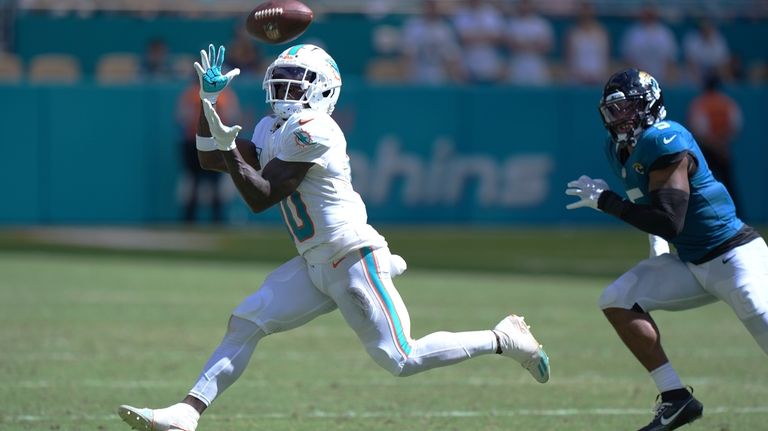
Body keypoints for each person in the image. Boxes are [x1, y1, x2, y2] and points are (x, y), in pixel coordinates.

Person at [117, 43, 550, 431]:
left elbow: (262, 195)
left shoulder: (315, 129)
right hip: (315, 262)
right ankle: (186, 414)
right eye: (280, 83)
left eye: (295, 84)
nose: (284, 92)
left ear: (324, 89)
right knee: (246, 321)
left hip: (351, 256)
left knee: (401, 358)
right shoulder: (271, 126)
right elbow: (209, 159)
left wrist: (230, 150)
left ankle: (503, 337)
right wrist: (206, 102)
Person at [565, 68, 768, 431]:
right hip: (691, 262)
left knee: (760, 315)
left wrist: (606, 202)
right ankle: (676, 399)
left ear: (649, 105)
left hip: (734, 255)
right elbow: (647, 206)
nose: (619, 118)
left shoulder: (665, 139)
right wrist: (657, 248)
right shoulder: (619, 148)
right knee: (617, 298)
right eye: (614, 111)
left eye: (627, 108)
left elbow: (668, 219)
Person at [176, 73, 241, 223]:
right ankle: (196, 218)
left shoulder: (197, 93)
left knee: (212, 182)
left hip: (207, 141)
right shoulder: (194, 93)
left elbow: (182, 117)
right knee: (196, 181)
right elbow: (183, 117)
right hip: (198, 141)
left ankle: (212, 218)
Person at [686, 73, 742, 211]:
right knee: (729, 184)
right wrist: (722, 144)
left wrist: (714, 144)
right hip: (723, 148)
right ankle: (737, 216)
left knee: (699, 184)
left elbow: (698, 129)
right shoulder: (726, 102)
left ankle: (698, 215)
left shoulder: (701, 103)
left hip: (706, 150)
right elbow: (736, 125)